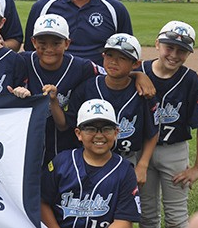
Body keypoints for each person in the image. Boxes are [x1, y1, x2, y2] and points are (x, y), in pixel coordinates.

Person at [139, 21, 198, 228]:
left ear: (189, 53)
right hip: (142, 151)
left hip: (174, 152)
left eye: (182, 50)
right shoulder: (140, 71)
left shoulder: (190, 79)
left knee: (176, 217)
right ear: (157, 44)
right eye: (169, 47)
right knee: (146, 215)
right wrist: (135, 74)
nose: (174, 54)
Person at [64, 33, 159, 187]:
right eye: (109, 55)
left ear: (135, 64)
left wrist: (142, 165)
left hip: (128, 158)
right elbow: (69, 125)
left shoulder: (143, 92)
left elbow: (153, 132)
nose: (114, 61)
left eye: (122, 58)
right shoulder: (87, 87)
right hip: (89, 158)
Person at [13, 13, 103, 165]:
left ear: (67, 43)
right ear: (33, 42)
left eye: (56, 43)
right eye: (42, 43)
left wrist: (137, 76)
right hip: (27, 145)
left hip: (66, 145)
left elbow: (112, 72)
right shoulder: (23, 60)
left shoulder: (81, 67)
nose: (49, 49)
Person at [41, 99, 141, 228]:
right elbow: (42, 202)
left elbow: (124, 220)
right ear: (78, 133)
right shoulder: (62, 162)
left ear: (116, 133)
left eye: (106, 129)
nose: (99, 135)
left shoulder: (125, 170)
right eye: (90, 129)